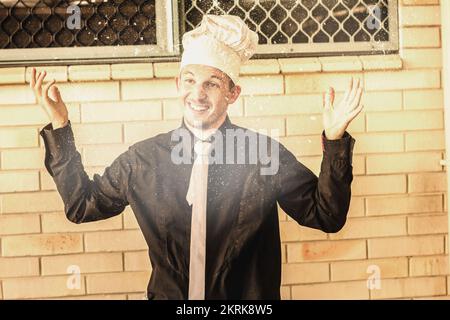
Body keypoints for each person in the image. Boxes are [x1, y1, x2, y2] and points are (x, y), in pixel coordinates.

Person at [32, 14, 363, 300]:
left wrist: (334, 140)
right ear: (178, 83)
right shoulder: (144, 159)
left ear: (233, 93)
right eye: (189, 80)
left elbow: (326, 215)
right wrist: (61, 126)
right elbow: (81, 205)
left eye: (213, 84)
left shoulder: (262, 154)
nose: (198, 94)